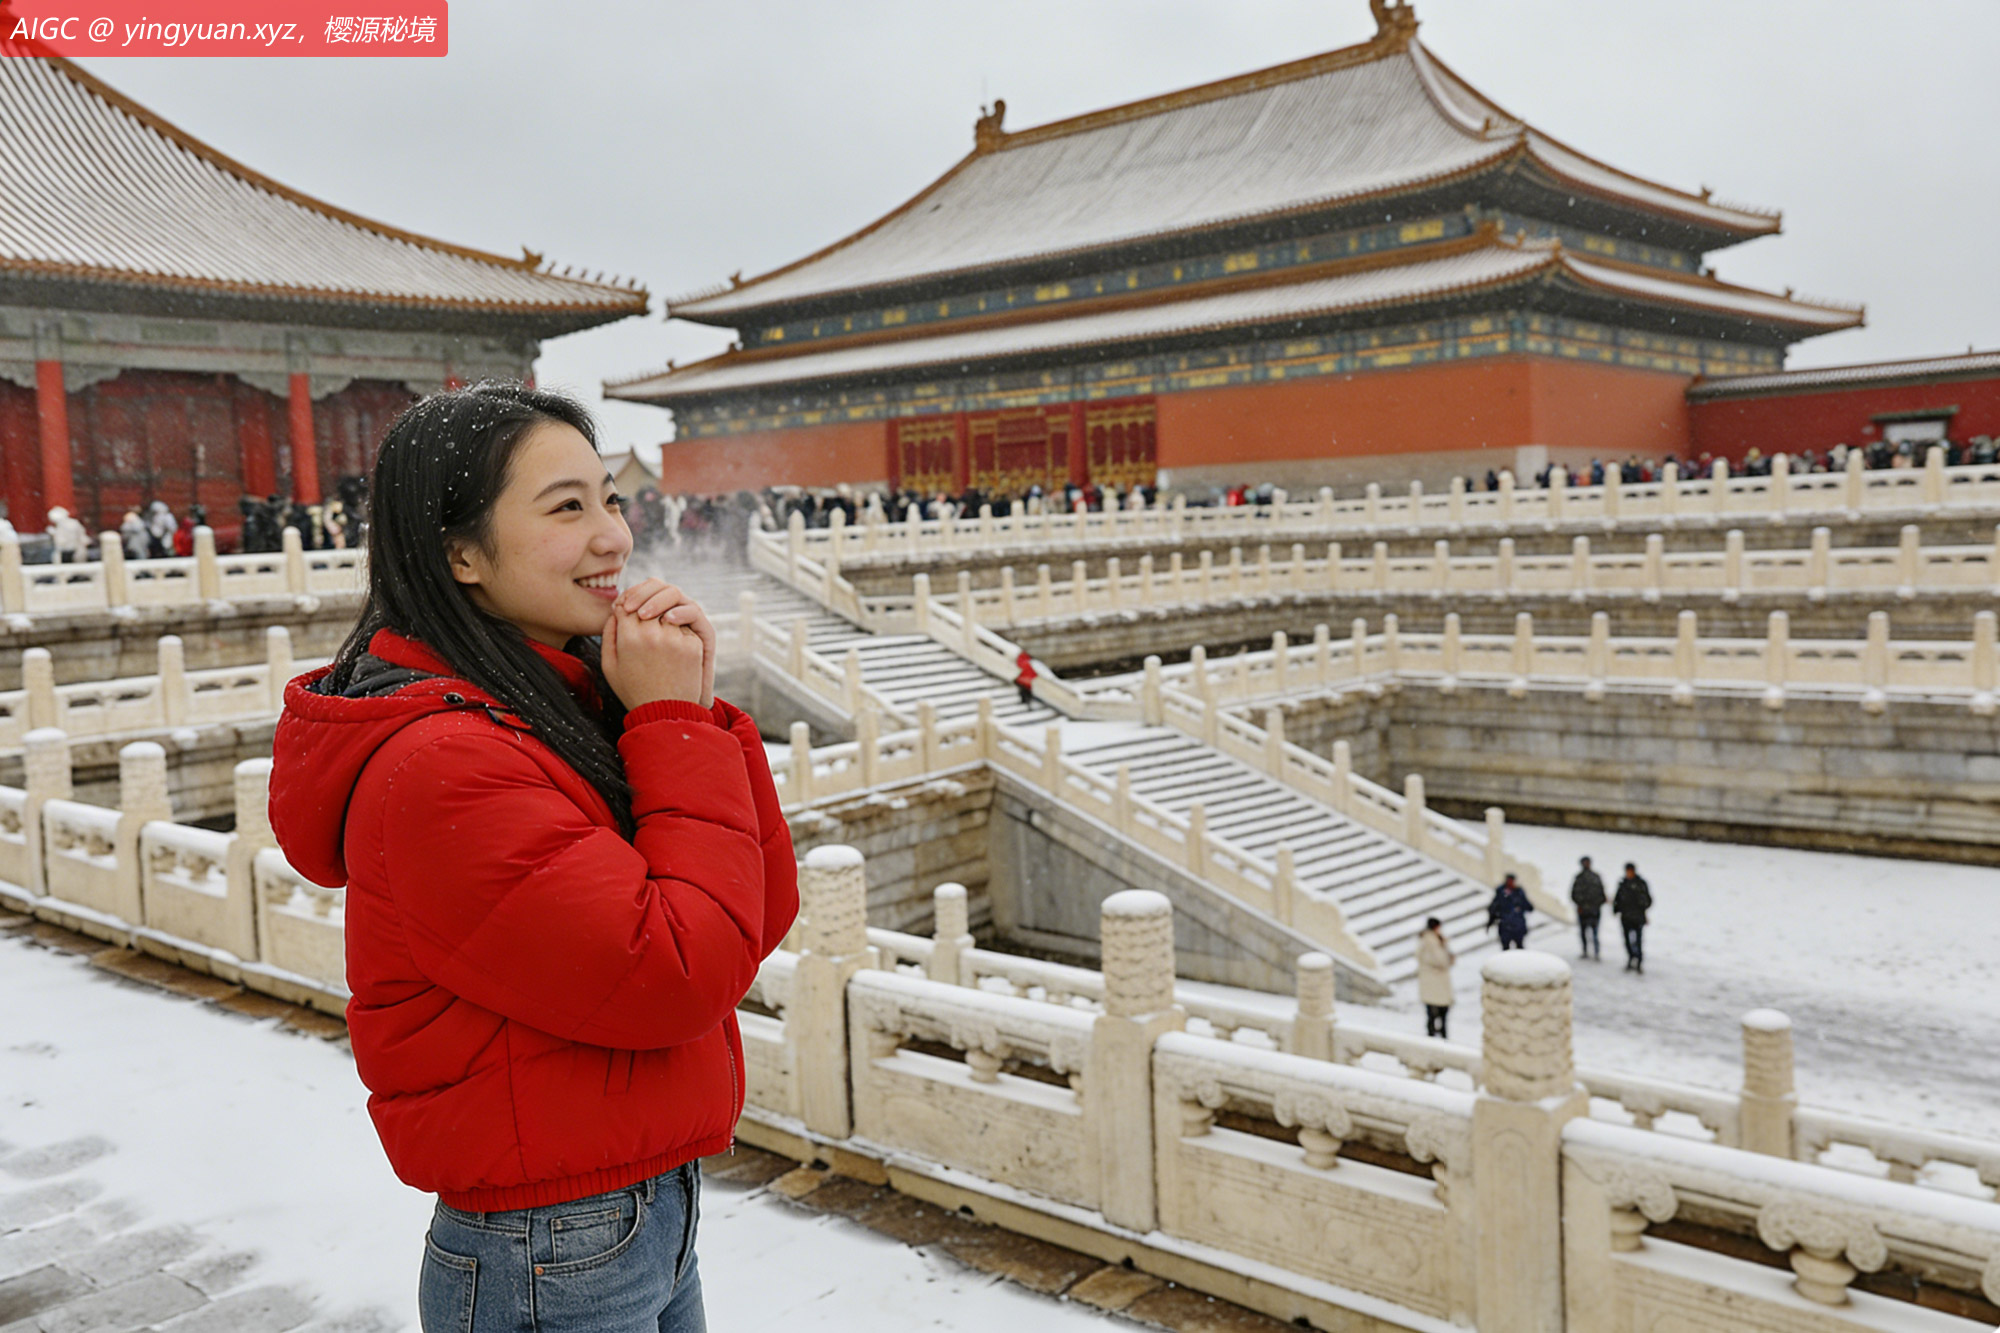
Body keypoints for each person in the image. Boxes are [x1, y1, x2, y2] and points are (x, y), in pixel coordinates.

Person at [269, 383, 796, 1332]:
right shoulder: (444, 764)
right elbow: (681, 969)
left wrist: (691, 711)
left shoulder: (552, 709)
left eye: (609, 498)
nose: (614, 537)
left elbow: (754, 910)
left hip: (631, 1210)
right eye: (567, 507)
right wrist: (672, 724)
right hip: (550, 1243)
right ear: (458, 553)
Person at [1415, 917, 1455, 1038]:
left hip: (1432, 982)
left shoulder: (1429, 940)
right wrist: (1449, 958)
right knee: (1438, 1013)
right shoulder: (1431, 942)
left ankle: (1435, 1034)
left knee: (1433, 1013)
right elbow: (1441, 961)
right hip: (1435, 982)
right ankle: (1438, 1036)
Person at [1614, 862, 1652, 974]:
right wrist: (1616, 909)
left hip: (1637, 918)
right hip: (1625, 918)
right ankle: (1631, 958)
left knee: (1638, 941)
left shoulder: (1640, 884)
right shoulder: (1623, 883)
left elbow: (1648, 900)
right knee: (1627, 941)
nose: (1629, 873)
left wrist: (1640, 906)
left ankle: (1639, 961)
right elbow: (1618, 898)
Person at [1569, 856, 1605, 960]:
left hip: (1593, 911)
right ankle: (1585, 951)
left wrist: (1595, 905)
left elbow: (1601, 895)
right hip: (1583, 911)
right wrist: (1581, 904)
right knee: (1584, 933)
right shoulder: (1579, 878)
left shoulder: (1595, 877)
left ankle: (1596, 952)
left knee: (1594, 933)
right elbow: (1574, 894)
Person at [1486, 872, 1532, 950]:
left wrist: (1520, 908)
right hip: (1506, 926)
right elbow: (1493, 908)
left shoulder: (1518, 892)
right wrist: (1490, 922)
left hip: (1517, 926)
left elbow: (1529, 907)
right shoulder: (1501, 893)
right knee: (1506, 948)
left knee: (1519, 948)